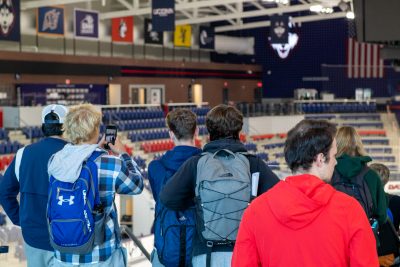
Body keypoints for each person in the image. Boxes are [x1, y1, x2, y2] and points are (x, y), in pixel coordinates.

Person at [232, 119, 379, 267]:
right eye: (334, 156)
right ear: (320, 159)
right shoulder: (350, 210)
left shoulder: (255, 211)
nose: (336, 162)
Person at [160, 104, 280, 267]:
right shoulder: (254, 164)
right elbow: (280, 201)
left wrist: (199, 201)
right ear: (239, 131)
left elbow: (167, 199)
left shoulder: (196, 164)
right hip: (245, 253)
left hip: (205, 254)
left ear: (209, 133)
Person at [47, 103, 143, 266]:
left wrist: (94, 149)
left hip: (63, 255)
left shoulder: (55, 160)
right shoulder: (110, 163)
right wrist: (124, 154)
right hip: (100, 255)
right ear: (95, 130)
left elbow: (78, 164)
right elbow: (136, 185)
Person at [0, 104, 69, 267]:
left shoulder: (23, 153)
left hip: (33, 237)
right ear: (65, 127)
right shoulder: (74, 153)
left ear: (43, 126)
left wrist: (21, 220)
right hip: (67, 238)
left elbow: (4, 192)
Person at [148, 108, 202, 266]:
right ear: (197, 131)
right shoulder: (207, 165)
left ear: (171, 134)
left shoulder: (155, 168)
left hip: (167, 251)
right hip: (198, 252)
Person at [335, 126, 387, 226]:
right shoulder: (371, 175)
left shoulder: (328, 173)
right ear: (358, 144)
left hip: (334, 235)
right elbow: (382, 216)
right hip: (363, 234)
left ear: (336, 144)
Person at [369, 163, 400, 267]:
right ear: (387, 180)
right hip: (391, 257)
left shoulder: (361, 202)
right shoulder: (396, 201)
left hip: (369, 256)